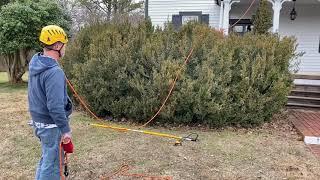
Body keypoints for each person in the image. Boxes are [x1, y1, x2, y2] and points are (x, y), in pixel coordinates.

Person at [28, 25, 73, 180]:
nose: (65, 48)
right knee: (53, 166)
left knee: (47, 158)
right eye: (64, 45)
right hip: (52, 126)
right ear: (57, 45)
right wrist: (65, 130)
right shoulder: (54, 72)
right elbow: (55, 107)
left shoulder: (37, 64)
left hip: (40, 123)